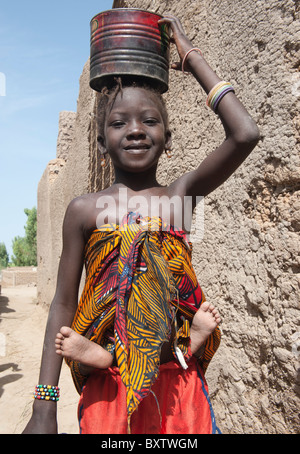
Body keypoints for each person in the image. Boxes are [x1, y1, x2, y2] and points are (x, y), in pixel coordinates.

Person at [23, 14, 259, 434]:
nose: (135, 130)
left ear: (168, 139)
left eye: (150, 121)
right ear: (100, 144)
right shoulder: (84, 210)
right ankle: (105, 354)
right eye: (119, 123)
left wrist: (187, 55)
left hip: (178, 390)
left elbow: (244, 134)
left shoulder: (178, 198)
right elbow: (63, 302)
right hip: (109, 394)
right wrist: (44, 405)